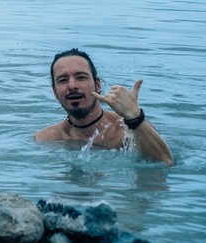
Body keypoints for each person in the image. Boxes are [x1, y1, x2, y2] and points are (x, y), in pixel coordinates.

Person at [34, 48, 173, 166]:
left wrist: (135, 117)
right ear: (55, 92)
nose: (72, 86)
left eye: (81, 77)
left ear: (98, 85)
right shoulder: (46, 139)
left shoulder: (128, 130)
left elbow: (165, 163)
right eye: (63, 80)